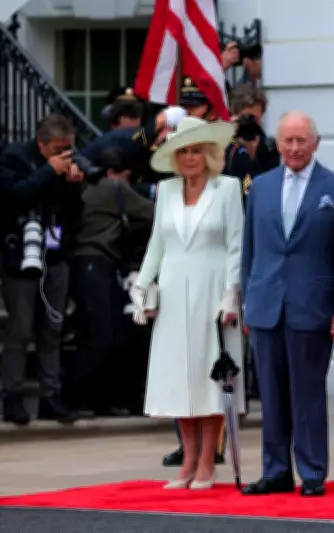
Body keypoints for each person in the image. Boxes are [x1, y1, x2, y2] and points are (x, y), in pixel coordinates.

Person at [240, 111, 334, 497]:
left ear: (315, 143)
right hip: (266, 304)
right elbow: (250, 250)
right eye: (287, 141)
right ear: (278, 144)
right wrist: (246, 302)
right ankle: (275, 471)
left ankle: (311, 473)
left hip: (313, 307)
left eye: (301, 140)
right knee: (270, 395)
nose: (293, 148)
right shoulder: (261, 187)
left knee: (307, 393)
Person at [130, 116, 246, 490]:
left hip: (213, 292)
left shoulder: (227, 188)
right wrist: (143, 287)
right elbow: (156, 245)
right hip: (174, 290)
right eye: (184, 151)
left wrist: (233, 292)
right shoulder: (165, 190)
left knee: (209, 375)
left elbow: (236, 244)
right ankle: (188, 460)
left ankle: (208, 462)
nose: (190, 157)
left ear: (210, 154)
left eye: (197, 150)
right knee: (178, 376)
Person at [0, 115, 85, 426]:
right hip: (20, 253)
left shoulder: (63, 165)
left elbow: (73, 212)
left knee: (53, 326)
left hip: (55, 251)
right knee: (20, 328)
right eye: (59, 149)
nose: (66, 154)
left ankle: (51, 396)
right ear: (43, 144)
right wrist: (49, 172)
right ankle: (12, 396)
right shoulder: (14, 158)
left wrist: (73, 185)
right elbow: (14, 196)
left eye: (69, 148)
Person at [66, 146, 155, 418]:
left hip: (87, 265)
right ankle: (73, 395)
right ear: (113, 174)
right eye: (125, 176)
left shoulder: (86, 191)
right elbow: (154, 213)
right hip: (97, 262)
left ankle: (93, 397)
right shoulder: (114, 189)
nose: (128, 182)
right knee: (102, 334)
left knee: (103, 331)